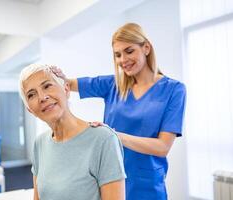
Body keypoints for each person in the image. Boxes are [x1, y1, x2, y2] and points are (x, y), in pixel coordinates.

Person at [52, 23, 186, 200]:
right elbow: (66, 84)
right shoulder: (113, 85)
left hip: (147, 186)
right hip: (109, 180)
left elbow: (162, 147)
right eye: (117, 54)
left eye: (129, 51)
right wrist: (52, 76)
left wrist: (112, 135)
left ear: (146, 48)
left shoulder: (174, 90)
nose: (123, 59)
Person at [19, 64, 126, 200]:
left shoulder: (103, 139)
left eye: (47, 86)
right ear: (30, 110)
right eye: (31, 95)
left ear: (66, 89)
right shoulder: (40, 143)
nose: (42, 97)